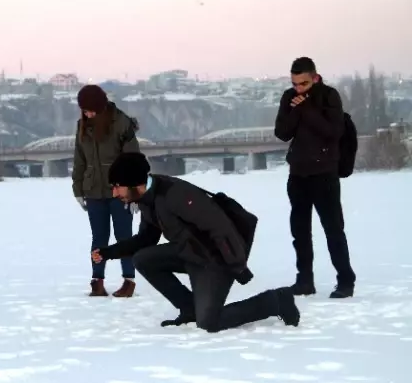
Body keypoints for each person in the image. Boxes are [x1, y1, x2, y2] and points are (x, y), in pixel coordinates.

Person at [92, 152, 300, 331]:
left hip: (216, 259)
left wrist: (237, 265)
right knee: (143, 259)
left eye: (117, 186)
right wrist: (108, 252)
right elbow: (146, 239)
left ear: (135, 183)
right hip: (190, 253)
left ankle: (276, 301)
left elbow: (220, 227)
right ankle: (190, 309)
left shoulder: (174, 194)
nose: (114, 193)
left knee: (210, 323)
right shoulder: (147, 200)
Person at [274, 57, 356, 299]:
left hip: (324, 174)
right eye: (295, 83)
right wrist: (296, 109)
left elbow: (333, 132)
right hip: (298, 174)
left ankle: (345, 281)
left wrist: (306, 109)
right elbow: (282, 133)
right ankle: (304, 281)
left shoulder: (329, 96)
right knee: (300, 231)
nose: (298, 88)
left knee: (333, 229)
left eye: (304, 83)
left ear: (315, 77)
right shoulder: (289, 97)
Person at [72, 84, 141, 297]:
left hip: (119, 192)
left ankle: (128, 280)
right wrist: (78, 189)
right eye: (84, 110)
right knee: (98, 238)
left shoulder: (121, 123)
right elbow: (79, 160)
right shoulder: (83, 126)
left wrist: (134, 193)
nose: (88, 114)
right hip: (93, 190)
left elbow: (134, 161)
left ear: (101, 106)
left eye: (91, 109)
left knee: (124, 238)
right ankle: (97, 280)